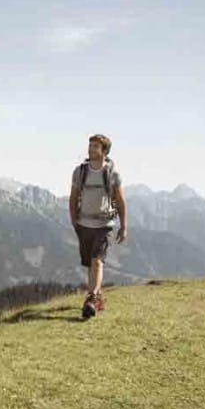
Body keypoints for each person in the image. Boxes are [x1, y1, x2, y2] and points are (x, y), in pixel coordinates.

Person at [69, 134, 127, 319]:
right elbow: (73, 197)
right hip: (84, 224)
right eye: (90, 145)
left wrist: (123, 226)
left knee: (97, 261)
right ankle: (97, 296)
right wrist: (74, 220)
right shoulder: (80, 172)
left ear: (104, 151)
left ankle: (91, 298)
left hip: (104, 224)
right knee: (90, 263)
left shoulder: (112, 174)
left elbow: (120, 200)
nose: (90, 149)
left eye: (95, 146)